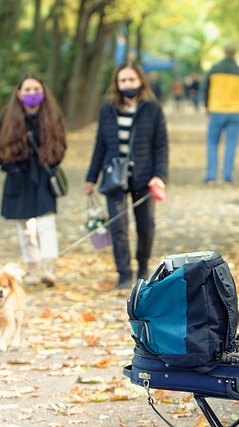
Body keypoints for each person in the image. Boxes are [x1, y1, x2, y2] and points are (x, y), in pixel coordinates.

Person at [84, 62, 169, 289]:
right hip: (114, 177)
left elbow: (161, 145)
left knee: (146, 226)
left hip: (145, 176)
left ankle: (142, 268)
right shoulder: (107, 109)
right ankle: (123, 273)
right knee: (118, 226)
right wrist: (91, 177)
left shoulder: (153, 109)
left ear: (140, 81)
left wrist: (159, 175)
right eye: (123, 81)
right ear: (117, 84)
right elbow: (100, 144)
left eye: (131, 80)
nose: (127, 84)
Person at [0, 73, 67, 287]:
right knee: (24, 226)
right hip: (19, 177)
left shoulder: (52, 116)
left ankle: (49, 267)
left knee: (46, 223)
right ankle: (33, 267)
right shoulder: (8, 117)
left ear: (43, 91)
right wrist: (10, 166)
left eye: (36, 89)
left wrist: (50, 163)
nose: (32, 93)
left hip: (42, 176)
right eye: (27, 90)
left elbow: (61, 143)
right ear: (19, 93)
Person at [202, 44, 239, 185]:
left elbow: (205, 88)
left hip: (217, 110)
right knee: (231, 144)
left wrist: (207, 106)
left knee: (212, 143)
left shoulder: (214, 69)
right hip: (236, 111)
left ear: (224, 53)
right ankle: (227, 176)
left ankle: (211, 176)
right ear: (235, 53)